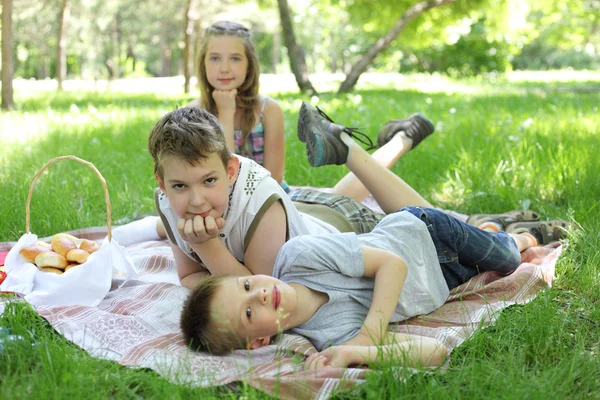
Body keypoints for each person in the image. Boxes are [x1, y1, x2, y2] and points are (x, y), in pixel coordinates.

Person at [178, 201, 538, 369]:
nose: (257, 292)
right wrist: (354, 352)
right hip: (442, 282)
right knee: (484, 264)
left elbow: (392, 264)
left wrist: (370, 332)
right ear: (258, 342)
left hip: (427, 233)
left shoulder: (298, 256)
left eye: (244, 286)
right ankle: (488, 230)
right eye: (248, 310)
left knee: (508, 258)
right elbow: (434, 353)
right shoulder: (330, 336)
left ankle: (510, 235)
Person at [147, 104, 444, 289]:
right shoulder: (169, 202)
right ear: (162, 183)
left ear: (230, 170)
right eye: (179, 187)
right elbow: (189, 278)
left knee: (432, 228)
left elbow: (264, 289)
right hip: (302, 210)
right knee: (331, 200)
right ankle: (399, 137)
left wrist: (208, 248)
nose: (197, 200)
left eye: (209, 180)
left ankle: (380, 144)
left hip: (340, 225)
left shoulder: (259, 202)